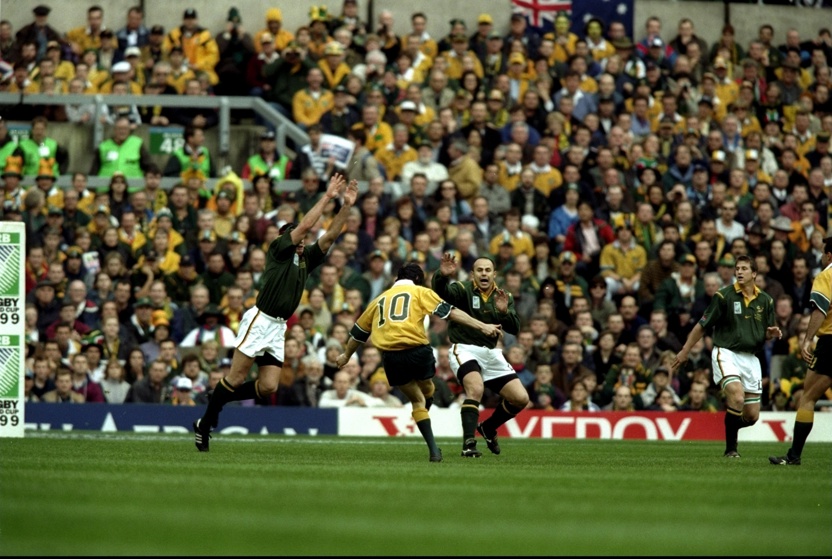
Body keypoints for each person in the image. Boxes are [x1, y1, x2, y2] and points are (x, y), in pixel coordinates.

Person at [193, 174, 358, 451]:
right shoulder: (279, 250)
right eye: (296, 235)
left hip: (278, 326)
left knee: (269, 386)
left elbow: (330, 236)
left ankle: (219, 397)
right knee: (236, 377)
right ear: (285, 238)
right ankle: (206, 423)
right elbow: (306, 226)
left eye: (302, 238)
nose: (302, 240)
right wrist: (328, 196)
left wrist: (347, 206)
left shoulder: (305, 259)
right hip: (261, 319)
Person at [335, 262, 502, 462]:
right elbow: (451, 312)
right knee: (427, 388)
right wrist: (482, 326)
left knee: (416, 400)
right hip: (417, 351)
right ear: (417, 279)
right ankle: (428, 399)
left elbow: (358, 335)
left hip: (391, 356)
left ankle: (434, 450)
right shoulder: (420, 292)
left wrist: (346, 356)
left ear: (397, 279)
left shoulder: (378, 300)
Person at [671, 255, 782, 458]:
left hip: (751, 358)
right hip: (726, 353)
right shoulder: (723, 296)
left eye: (744, 269)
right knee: (737, 397)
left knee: (752, 416)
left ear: (754, 273)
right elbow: (702, 325)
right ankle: (731, 449)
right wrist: (685, 350)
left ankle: (729, 428)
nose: (739, 272)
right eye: (737, 268)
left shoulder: (766, 300)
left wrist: (770, 333)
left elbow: (763, 332)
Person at [431, 253, 527, 457]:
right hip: (464, 348)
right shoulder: (461, 289)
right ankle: (468, 444)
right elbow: (441, 293)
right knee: (475, 389)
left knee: (520, 399)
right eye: (479, 270)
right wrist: (442, 275)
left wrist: (504, 313)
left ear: (494, 274)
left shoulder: (504, 296)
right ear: (473, 274)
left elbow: (515, 328)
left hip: (491, 353)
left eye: (487, 270)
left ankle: (488, 428)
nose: (484, 274)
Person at [770, 237, 832, 466]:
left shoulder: (826, 276)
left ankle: (794, 455)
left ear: (829, 255)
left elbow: (820, 310)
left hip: (830, 342)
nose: (822, 257)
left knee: (808, 398)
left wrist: (807, 340)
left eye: (823, 253)